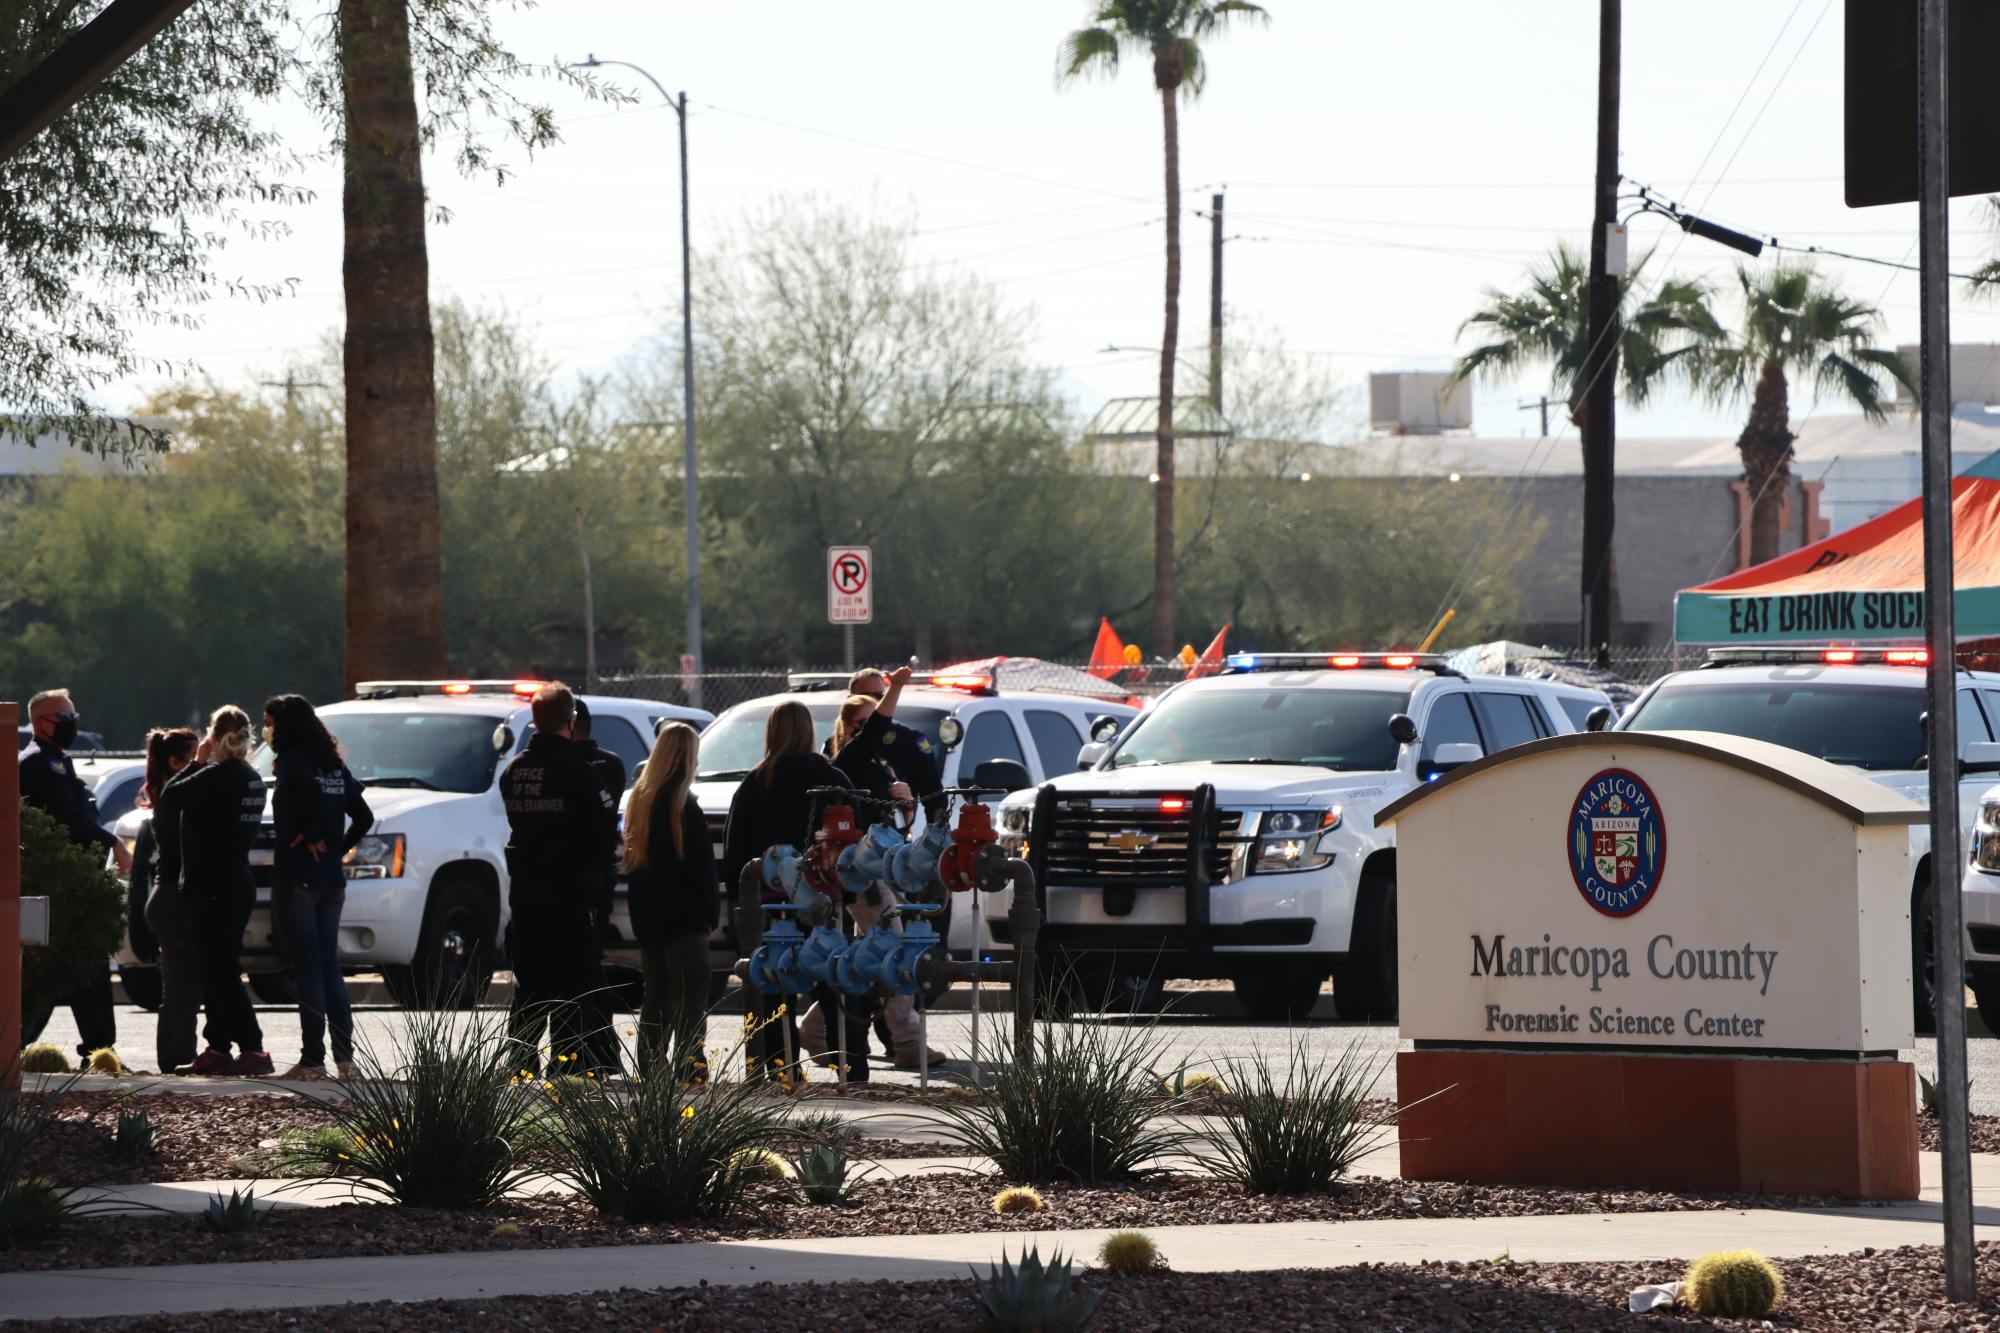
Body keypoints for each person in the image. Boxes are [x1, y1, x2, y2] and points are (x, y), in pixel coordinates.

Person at [818, 667, 946, 1070]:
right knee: (897, 948)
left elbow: (900, 817)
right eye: (863, 721)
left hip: (881, 866)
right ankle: (908, 1043)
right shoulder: (846, 758)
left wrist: (905, 803)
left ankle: (815, 1032)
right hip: (862, 873)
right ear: (850, 725)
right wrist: (899, 687)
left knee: (865, 954)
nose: (873, 728)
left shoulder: (876, 764)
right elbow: (879, 726)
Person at [722, 700, 853, 1079]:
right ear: (809, 731)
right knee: (832, 981)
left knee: (772, 990)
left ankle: (781, 1068)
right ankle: (852, 1064)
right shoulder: (832, 780)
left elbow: (735, 852)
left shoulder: (756, 782)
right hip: (824, 901)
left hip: (767, 904)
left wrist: (740, 905)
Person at [500, 683, 619, 1077]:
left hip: (526, 894)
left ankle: (520, 1061)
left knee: (530, 983)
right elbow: (604, 833)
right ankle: (567, 1064)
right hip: (568, 893)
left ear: (534, 720)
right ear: (570, 722)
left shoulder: (515, 770)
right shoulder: (578, 771)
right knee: (572, 981)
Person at [157, 706, 271, 1076]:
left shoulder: (219, 777)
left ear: (214, 736)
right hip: (236, 883)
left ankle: (252, 1047)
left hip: (212, 888)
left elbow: (170, 797)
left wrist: (196, 762)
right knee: (216, 971)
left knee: (220, 972)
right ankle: (218, 1047)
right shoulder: (252, 777)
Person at [265, 694, 375, 1080]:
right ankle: (345, 1060)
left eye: (271, 723)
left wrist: (309, 833)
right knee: (330, 969)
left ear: (285, 725)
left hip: (297, 878)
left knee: (308, 969)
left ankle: (312, 1060)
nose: (268, 731)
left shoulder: (294, 763)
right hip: (331, 880)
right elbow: (363, 817)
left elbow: (303, 805)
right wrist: (337, 850)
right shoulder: (333, 766)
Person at [19, 688, 129, 1061]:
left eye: (73, 718)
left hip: (69, 887)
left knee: (79, 968)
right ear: (39, 722)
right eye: (63, 719)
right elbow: (67, 818)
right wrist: (112, 841)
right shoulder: (39, 762)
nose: (70, 725)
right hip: (55, 888)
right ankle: (15, 1047)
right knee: (60, 969)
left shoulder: (55, 761)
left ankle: (100, 1050)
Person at [622, 721, 716, 1080]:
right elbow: (700, 867)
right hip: (686, 916)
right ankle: (690, 1067)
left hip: (649, 914)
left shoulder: (641, 799)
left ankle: (650, 1067)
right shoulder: (683, 804)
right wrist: (709, 910)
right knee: (691, 996)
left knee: (656, 995)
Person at [133, 728, 200, 1075]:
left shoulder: (170, 796)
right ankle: (181, 1059)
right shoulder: (175, 799)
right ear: (176, 762)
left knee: (177, 986)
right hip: (172, 898)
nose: (201, 764)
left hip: (166, 898)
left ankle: (173, 1059)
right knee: (182, 988)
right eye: (194, 757)